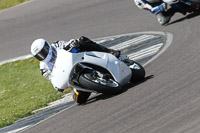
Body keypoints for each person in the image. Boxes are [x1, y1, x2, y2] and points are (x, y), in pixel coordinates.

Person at [30, 36, 120, 104]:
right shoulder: (44, 68)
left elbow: (69, 43)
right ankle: (96, 84)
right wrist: (58, 87)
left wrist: (73, 43)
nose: (43, 56)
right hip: (72, 79)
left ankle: (108, 51)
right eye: (39, 55)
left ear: (47, 46)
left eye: (43, 52)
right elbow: (53, 80)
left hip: (78, 60)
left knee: (82, 40)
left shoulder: (56, 45)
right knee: (79, 100)